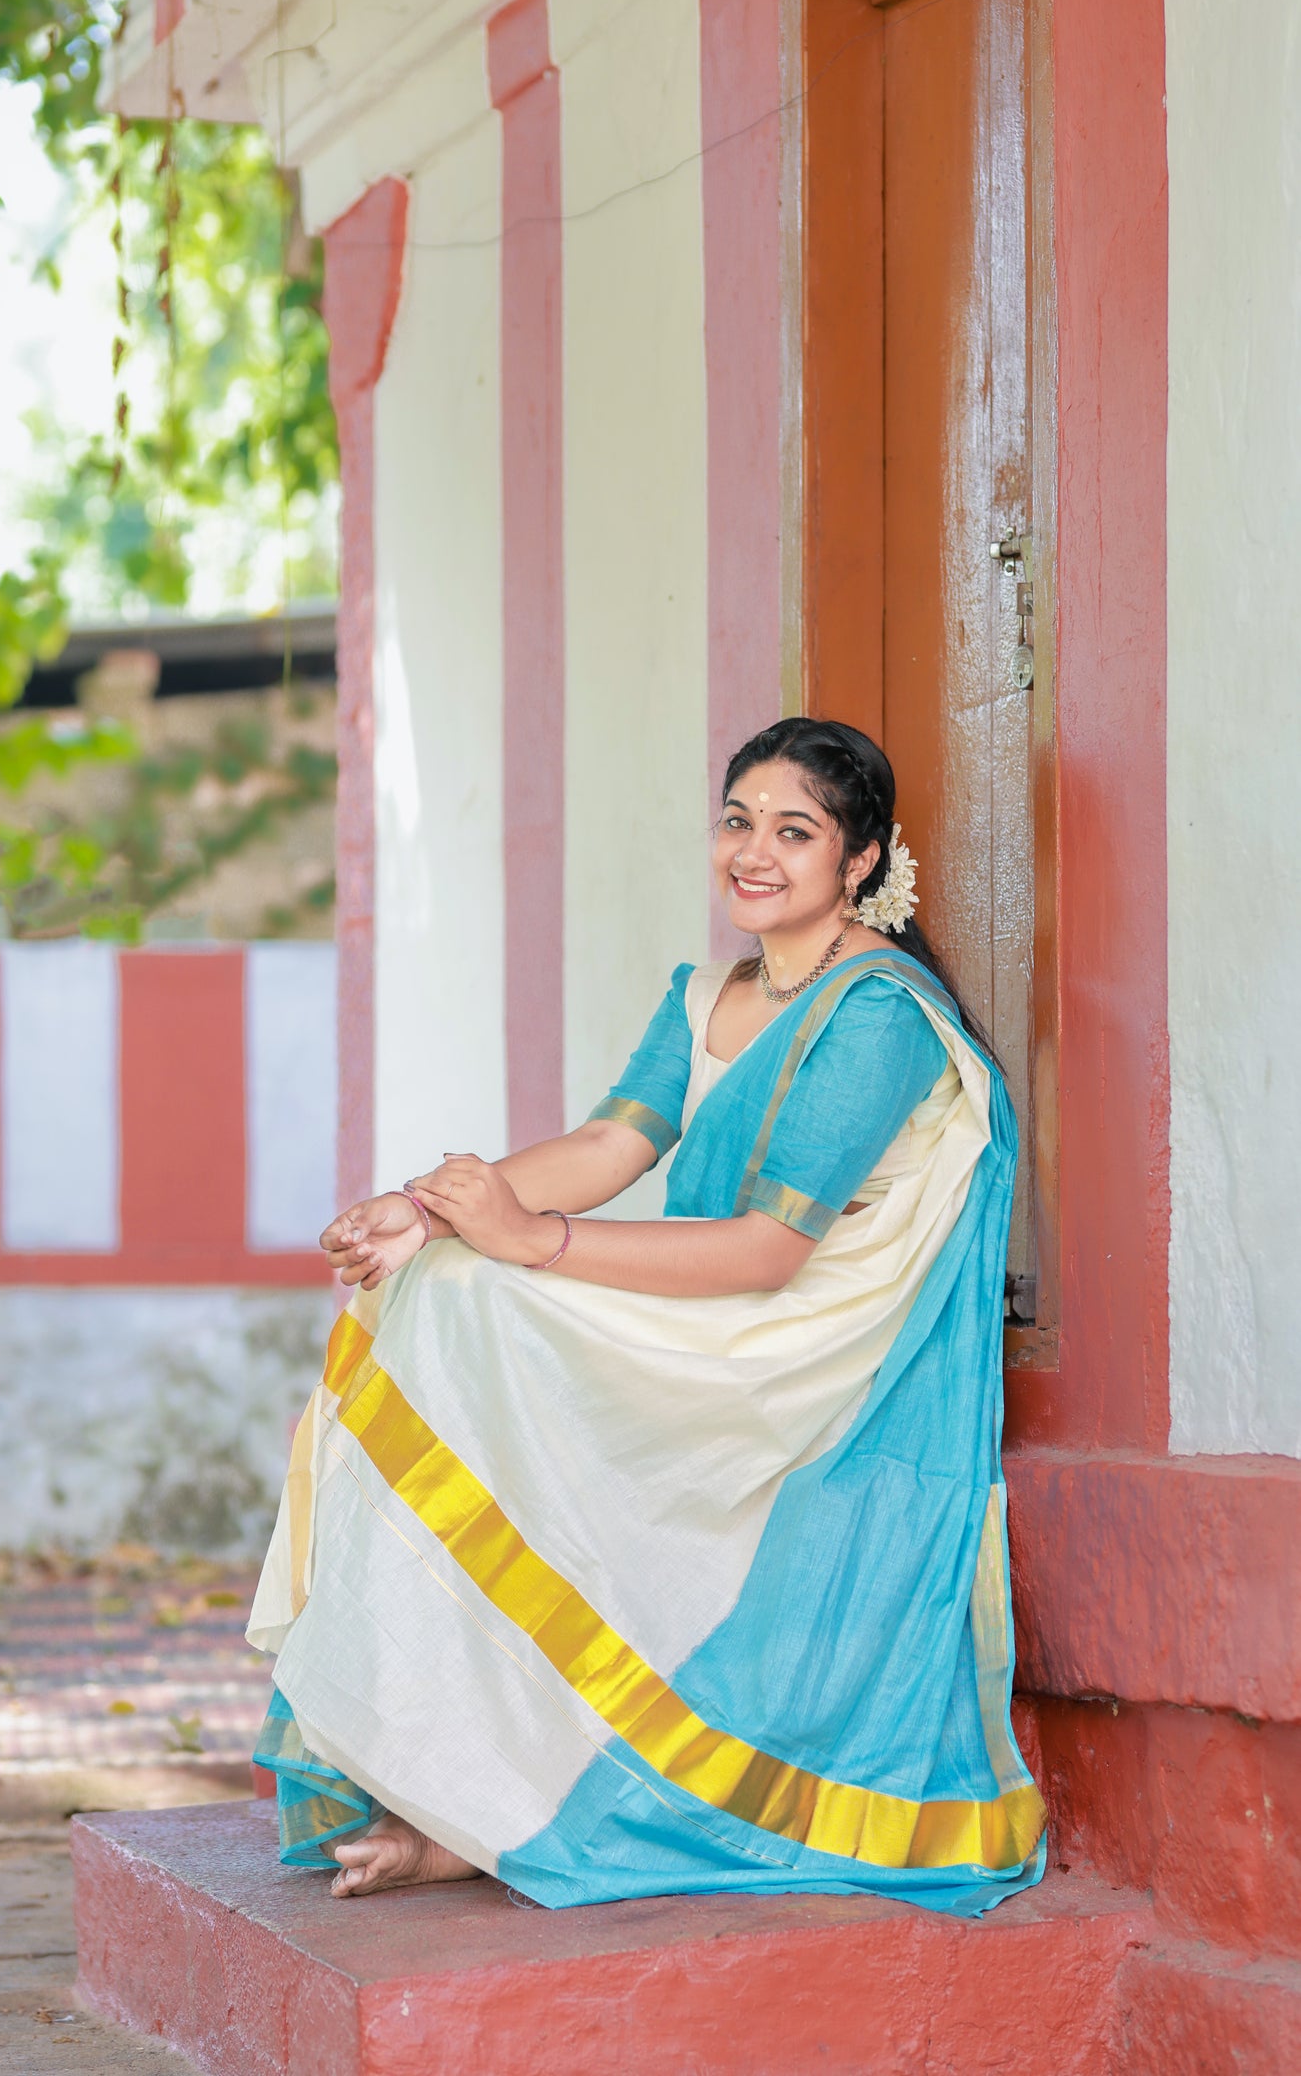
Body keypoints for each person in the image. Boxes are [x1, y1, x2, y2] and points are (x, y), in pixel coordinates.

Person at [249, 715, 1045, 1914]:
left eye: (795, 831)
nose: (753, 852)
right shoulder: (707, 994)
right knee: (435, 1288)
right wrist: (428, 1212)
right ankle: (455, 1784)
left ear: (863, 860)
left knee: (486, 1305)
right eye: (737, 822)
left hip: (805, 1346)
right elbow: (611, 1141)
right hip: (718, 1298)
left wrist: (528, 1239)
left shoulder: (875, 1013)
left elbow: (771, 1250)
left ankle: (505, 1788)